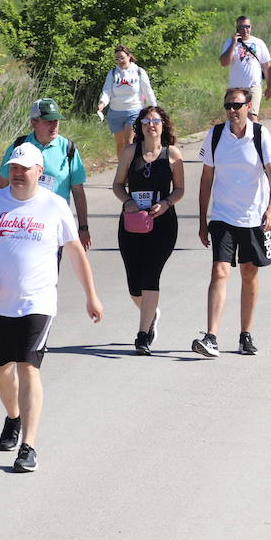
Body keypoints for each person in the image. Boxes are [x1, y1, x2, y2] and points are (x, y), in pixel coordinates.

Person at [0, 142, 104, 472]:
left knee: (28, 367)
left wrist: (91, 295)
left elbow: (74, 251)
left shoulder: (54, 206)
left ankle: (28, 446)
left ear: (39, 172)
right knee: (1, 370)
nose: (16, 173)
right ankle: (13, 417)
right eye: (13, 167)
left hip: (38, 303)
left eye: (23, 168)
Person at [194, 89, 271, 358]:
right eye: (228, 105)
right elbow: (206, 178)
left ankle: (245, 334)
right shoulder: (216, 135)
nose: (233, 110)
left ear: (249, 106)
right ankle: (211, 337)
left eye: (237, 105)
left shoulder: (260, 134)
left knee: (249, 273)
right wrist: (202, 219)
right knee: (220, 271)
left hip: (254, 217)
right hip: (223, 216)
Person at [111, 106, 184, 355]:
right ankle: (151, 314)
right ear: (140, 126)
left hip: (162, 224)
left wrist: (166, 203)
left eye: (155, 121)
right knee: (134, 283)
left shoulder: (172, 154)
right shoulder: (131, 152)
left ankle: (142, 335)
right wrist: (128, 201)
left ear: (163, 125)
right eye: (146, 121)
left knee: (150, 275)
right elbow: (118, 184)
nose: (150, 125)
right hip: (132, 222)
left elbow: (180, 190)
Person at [0, 98, 90, 251]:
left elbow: (78, 190)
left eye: (56, 120)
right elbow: (2, 181)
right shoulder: (19, 147)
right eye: (48, 121)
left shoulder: (68, 148)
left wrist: (83, 227)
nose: (54, 125)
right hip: (20, 223)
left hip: (53, 223)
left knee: (49, 272)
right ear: (34, 123)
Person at [96, 45, 156, 160]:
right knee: (120, 144)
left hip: (134, 110)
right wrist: (102, 103)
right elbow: (107, 90)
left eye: (122, 58)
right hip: (116, 112)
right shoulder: (113, 73)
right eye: (117, 59)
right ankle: (122, 169)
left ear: (129, 56)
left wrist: (154, 108)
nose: (120, 61)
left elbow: (147, 91)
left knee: (129, 142)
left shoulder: (138, 72)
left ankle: (130, 168)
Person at [219, 16, 271, 119]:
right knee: (237, 118)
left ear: (251, 27)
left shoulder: (259, 43)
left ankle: (255, 135)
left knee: (252, 116)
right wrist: (233, 44)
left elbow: (267, 66)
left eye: (247, 26)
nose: (245, 29)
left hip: (253, 86)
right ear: (237, 28)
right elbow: (224, 63)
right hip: (235, 88)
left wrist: (270, 86)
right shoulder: (230, 43)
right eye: (242, 27)